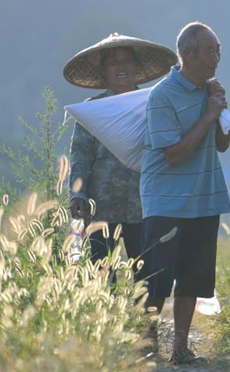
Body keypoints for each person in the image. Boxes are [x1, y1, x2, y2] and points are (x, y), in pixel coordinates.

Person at [139, 22, 230, 365]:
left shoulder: (211, 90)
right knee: (158, 279)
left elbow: (222, 144)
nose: (217, 57)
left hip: (205, 196)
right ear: (188, 54)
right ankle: (147, 345)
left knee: (194, 278)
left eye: (218, 50)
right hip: (166, 198)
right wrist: (209, 115)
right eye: (210, 51)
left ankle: (180, 346)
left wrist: (219, 110)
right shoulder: (163, 95)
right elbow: (174, 154)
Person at [65, 33, 176, 273]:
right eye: (113, 62)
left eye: (127, 61)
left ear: (137, 67)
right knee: (103, 276)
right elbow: (81, 156)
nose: (122, 67)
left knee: (147, 276)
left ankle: (146, 313)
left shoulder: (154, 103)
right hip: (102, 206)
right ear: (104, 70)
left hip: (144, 205)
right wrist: (78, 192)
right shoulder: (93, 109)